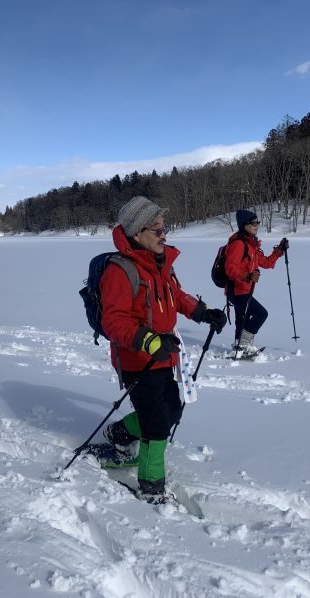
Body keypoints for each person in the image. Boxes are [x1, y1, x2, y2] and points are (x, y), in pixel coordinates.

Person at [99, 196, 227, 504]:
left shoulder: (160, 264)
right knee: (157, 425)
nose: (163, 234)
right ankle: (151, 485)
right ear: (136, 232)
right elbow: (112, 321)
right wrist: (149, 340)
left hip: (164, 355)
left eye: (163, 227)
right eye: (155, 229)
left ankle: (119, 433)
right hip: (136, 358)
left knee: (172, 408)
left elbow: (175, 295)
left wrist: (202, 312)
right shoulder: (120, 270)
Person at [224, 209, 289, 358]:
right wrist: (247, 276)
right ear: (245, 225)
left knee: (242, 319)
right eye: (254, 223)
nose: (257, 225)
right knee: (261, 314)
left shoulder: (251, 244)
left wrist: (279, 250)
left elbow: (266, 262)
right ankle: (243, 344)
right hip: (237, 289)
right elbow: (230, 268)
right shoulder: (239, 244)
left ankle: (239, 348)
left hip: (244, 289)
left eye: (257, 222)